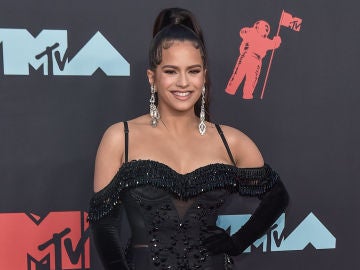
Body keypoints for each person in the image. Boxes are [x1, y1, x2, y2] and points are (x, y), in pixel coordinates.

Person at [88, 7, 289, 270]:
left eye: (193, 71)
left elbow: (278, 196)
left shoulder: (232, 142)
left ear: (204, 76)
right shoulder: (120, 138)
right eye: (171, 71)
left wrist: (238, 242)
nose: (183, 82)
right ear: (152, 77)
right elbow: (105, 226)